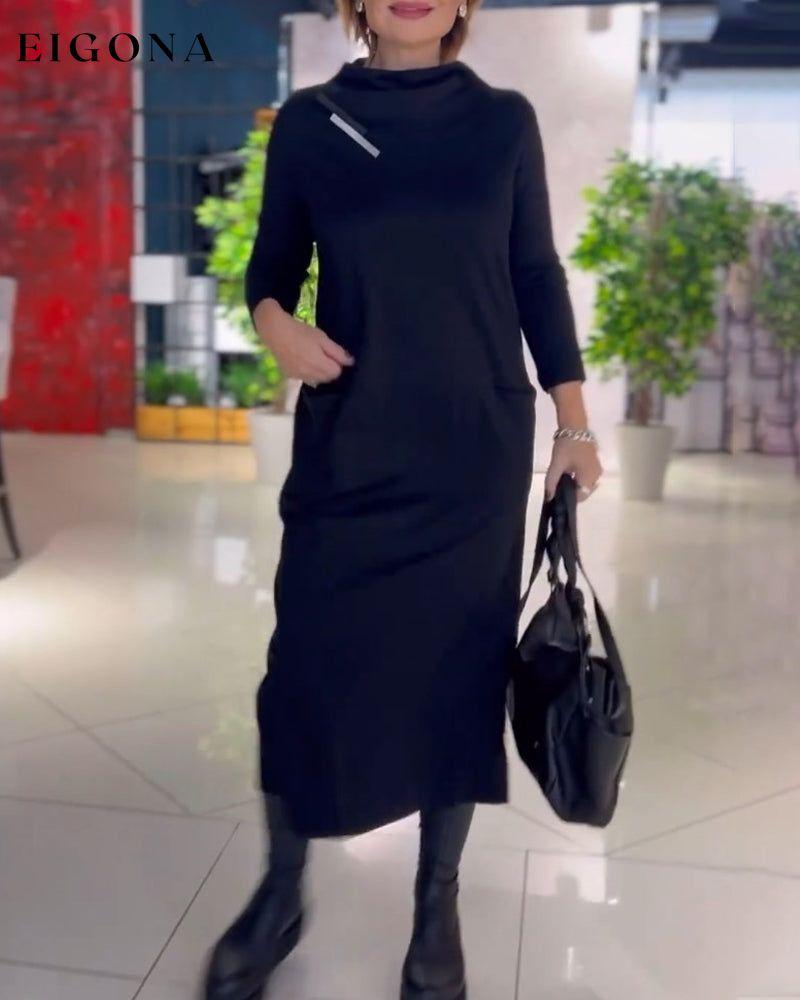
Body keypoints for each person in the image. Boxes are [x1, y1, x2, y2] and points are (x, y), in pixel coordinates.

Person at [203, 1, 602, 997]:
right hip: (351, 439)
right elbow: (270, 266)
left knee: (456, 674)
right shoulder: (311, 121)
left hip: (470, 449)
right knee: (303, 671)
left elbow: (533, 272)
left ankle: (436, 905)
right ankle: (280, 891)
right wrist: (273, 322)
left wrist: (574, 421)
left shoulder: (502, 121)